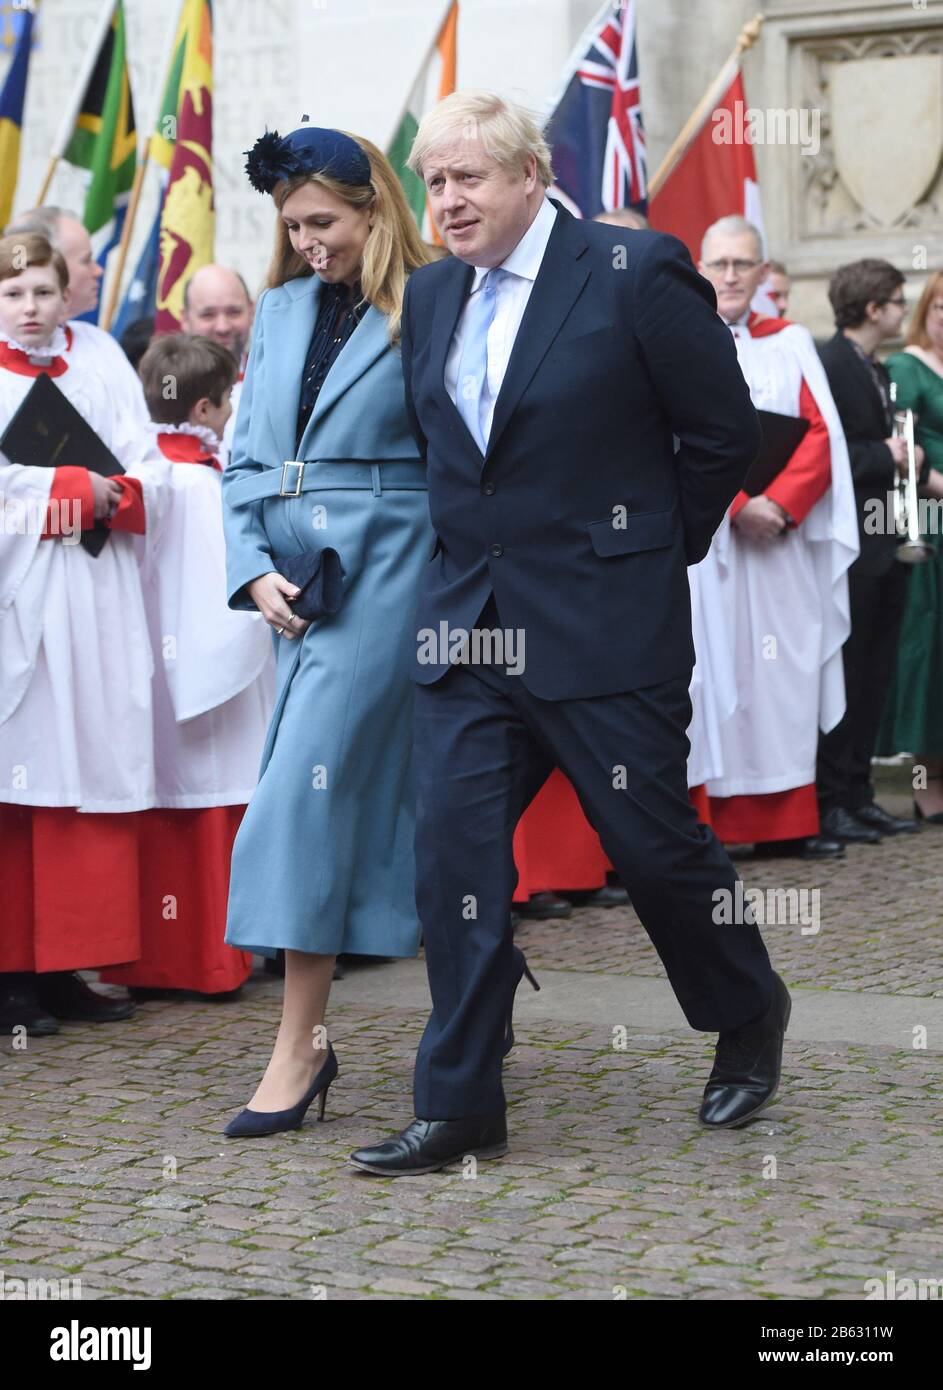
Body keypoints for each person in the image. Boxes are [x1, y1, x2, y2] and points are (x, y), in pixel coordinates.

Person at [349, 92, 788, 1178]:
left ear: (531, 177)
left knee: (650, 847)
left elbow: (720, 431)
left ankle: (747, 1007)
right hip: (470, 636)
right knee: (450, 858)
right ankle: (458, 1101)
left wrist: (640, 557)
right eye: (433, 182)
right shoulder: (436, 293)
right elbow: (457, 461)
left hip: (604, 630)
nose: (444, 202)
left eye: (467, 180)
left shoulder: (635, 273)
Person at [219, 124, 434, 1136]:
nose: (307, 241)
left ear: (373, 209)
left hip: (390, 569)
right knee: (360, 800)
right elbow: (242, 463)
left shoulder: (432, 304)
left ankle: (296, 1045)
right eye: (292, 225)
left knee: (297, 797)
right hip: (290, 586)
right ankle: (475, 996)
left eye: (323, 222)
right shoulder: (277, 308)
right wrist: (250, 568)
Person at [0, 233, 167, 1035]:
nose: (31, 307)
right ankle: (9, 978)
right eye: (13, 293)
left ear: (68, 293)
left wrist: (128, 491)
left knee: (85, 777)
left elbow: (145, 456)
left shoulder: (101, 356)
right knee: (19, 785)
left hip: (96, 595)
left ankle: (68, 963)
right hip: (21, 602)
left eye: (43, 291)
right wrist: (65, 490)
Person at [99, 334, 275, 999]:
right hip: (209, 680)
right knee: (208, 806)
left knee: (170, 808)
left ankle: (154, 961)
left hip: (154, 673)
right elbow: (222, 592)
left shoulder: (148, 474)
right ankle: (208, 962)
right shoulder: (200, 486)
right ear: (206, 407)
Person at [695, 216, 858, 860]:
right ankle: (720, 824)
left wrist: (780, 506)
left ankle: (787, 823)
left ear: (764, 274)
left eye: (744, 264)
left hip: (781, 546)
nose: (732, 276)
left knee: (781, 674)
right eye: (720, 264)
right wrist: (737, 505)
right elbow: (679, 436)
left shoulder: (792, 342)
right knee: (717, 671)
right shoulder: (683, 341)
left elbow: (824, 437)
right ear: (701, 269)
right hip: (712, 546)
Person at [816, 260, 927, 840]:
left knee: (874, 675)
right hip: (853, 546)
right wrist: (890, 454)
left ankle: (859, 792)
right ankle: (832, 797)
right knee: (849, 671)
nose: (902, 310)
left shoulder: (873, 367)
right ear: (871, 307)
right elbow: (829, 454)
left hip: (885, 542)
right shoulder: (832, 363)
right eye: (896, 301)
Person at [877, 270, 943, 819]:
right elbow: (902, 447)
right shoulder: (905, 366)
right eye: (941, 307)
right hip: (931, 520)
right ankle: (925, 780)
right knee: (929, 642)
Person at [4, 206, 148, 427]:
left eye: (43, 293)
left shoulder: (101, 344)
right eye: (86, 260)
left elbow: (140, 435)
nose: (98, 270)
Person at [180, 264, 254, 465]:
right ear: (184, 319)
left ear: (252, 311)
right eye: (208, 315)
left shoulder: (277, 382)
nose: (222, 327)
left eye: (233, 312)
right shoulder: (167, 387)